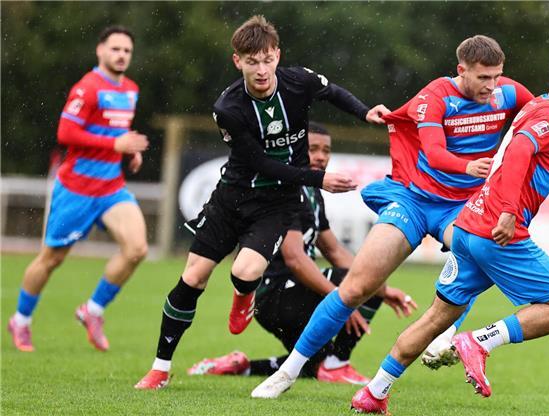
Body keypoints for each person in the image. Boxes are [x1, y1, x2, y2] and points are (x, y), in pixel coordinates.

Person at [251, 35, 549, 399]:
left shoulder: (509, 94)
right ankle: (288, 372)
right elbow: (434, 153)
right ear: (461, 70)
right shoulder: (435, 97)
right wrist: (474, 172)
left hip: (464, 209)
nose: (492, 86)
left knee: (454, 285)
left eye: (498, 77)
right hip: (418, 199)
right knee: (357, 286)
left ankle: (420, 355)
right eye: (483, 78)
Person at [134, 16, 391, 390]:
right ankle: (159, 368)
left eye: (267, 59)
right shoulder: (228, 107)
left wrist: (364, 111)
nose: (261, 69)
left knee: (246, 271)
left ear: (277, 56)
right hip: (231, 198)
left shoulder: (298, 81)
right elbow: (259, 163)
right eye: (252, 61)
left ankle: (243, 297)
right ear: (237, 61)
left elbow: (332, 91)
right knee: (192, 278)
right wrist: (319, 179)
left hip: (276, 203)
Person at [186, 122, 415, 384]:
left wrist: (383, 289)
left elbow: (334, 250)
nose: (321, 156)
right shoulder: (285, 189)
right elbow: (294, 258)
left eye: (326, 150)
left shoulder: (313, 191)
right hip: (275, 294)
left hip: (290, 296)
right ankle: (337, 365)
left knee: (311, 361)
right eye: (313, 149)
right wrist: (343, 300)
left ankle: (242, 366)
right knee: (359, 282)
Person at [7, 25, 150, 352]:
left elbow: (116, 130)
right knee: (51, 259)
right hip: (77, 189)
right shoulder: (87, 88)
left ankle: (93, 310)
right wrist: (116, 143)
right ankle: (21, 320)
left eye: (127, 50)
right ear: (100, 51)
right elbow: (66, 133)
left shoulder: (130, 89)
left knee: (137, 248)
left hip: (111, 189)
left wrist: (130, 148)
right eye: (115, 49)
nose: (121, 55)